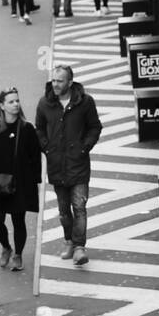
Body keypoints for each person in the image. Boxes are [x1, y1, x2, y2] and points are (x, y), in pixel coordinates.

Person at [35, 65, 102, 267]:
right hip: (57, 165)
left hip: (78, 164)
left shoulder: (85, 102)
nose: (55, 84)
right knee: (64, 210)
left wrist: (84, 147)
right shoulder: (45, 103)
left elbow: (95, 127)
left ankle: (80, 247)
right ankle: (69, 241)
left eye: (60, 81)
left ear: (70, 83)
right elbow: (39, 129)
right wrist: (47, 148)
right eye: (54, 80)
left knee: (79, 206)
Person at [0, 87, 42, 272]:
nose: (16, 104)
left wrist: (35, 182)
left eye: (17, 101)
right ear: (2, 105)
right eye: (11, 102)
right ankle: (6, 246)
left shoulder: (27, 128)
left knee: (18, 220)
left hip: (20, 183)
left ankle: (18, 254)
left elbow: (35, 156)